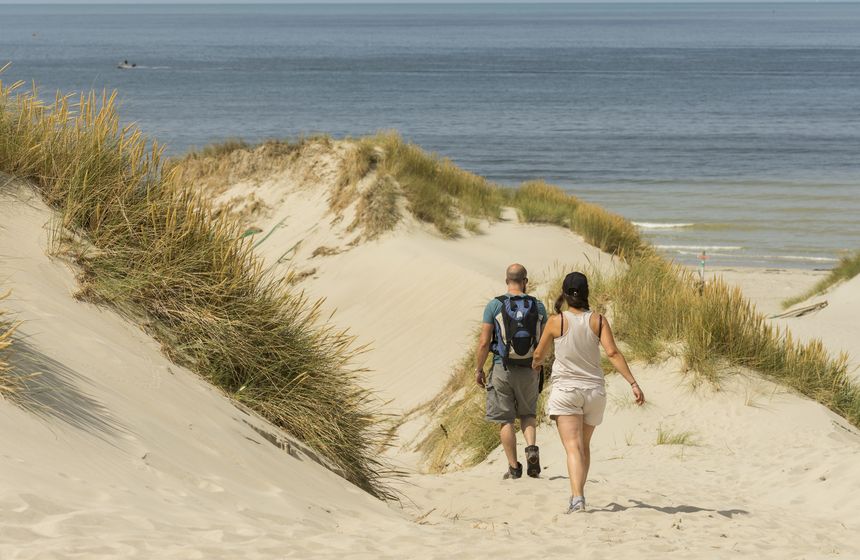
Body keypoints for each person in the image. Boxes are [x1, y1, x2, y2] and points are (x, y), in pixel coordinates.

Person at [532, 271, 645, 513]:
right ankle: (578, 495)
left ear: (564, 293)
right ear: (586, 294)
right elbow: (613, 353)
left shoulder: (556, 321)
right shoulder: (598, 320)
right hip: (594, 391)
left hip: (567, 390)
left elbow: (539, 354)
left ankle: (577, 498)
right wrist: (633, 383)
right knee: (584, 445)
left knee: (573, 447)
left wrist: (536, 364)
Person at [476, 263, 547, 479]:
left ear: (507, 281)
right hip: (529, 368)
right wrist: (539, 364)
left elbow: (483, 342)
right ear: (525, 281)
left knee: (505, 419)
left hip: (502, 367)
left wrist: (479, 369)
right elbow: (544, 341)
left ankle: (514, 467)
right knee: (528, 414)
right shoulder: (538, 305)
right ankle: (532, 448)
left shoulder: (494, 305)